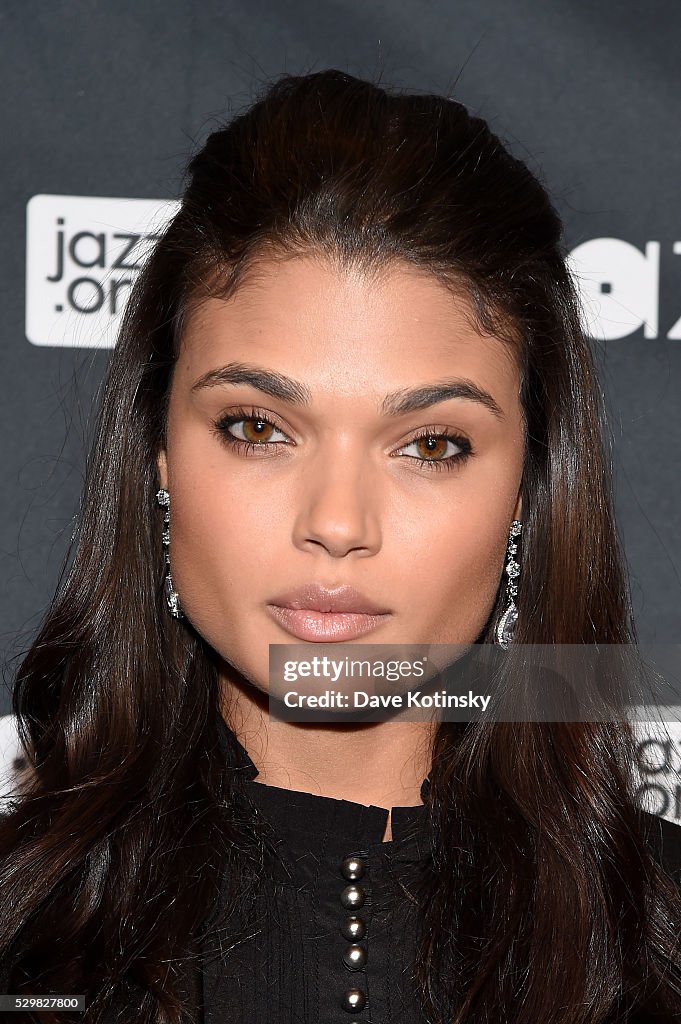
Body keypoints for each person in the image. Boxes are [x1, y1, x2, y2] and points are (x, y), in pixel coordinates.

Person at [1, 68, 681, 1024]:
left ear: (529, 491)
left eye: (431, 445)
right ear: (157, 458)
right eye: (257, 427)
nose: (337, 521)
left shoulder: (661, 941)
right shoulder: (19, 930)